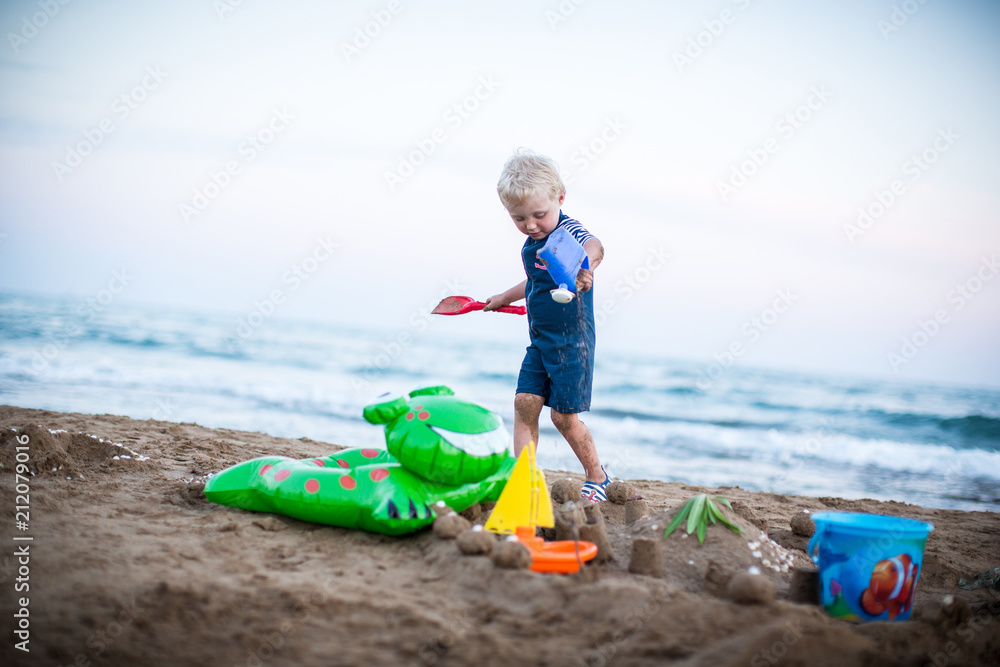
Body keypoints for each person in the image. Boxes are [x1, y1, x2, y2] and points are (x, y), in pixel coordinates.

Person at [483, 150, 610, 502]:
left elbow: (595, 245)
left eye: (539, 215)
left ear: (560, 199)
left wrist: (588, 268)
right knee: (524, 402)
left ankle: (598, 476)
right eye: (519, 218)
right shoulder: (533, 245)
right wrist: (502, 298)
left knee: (563, 418)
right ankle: (523, 479)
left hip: (573, 345)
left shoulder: (567, 233)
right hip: (540, 343)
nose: (531, 225)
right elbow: (535, 283)